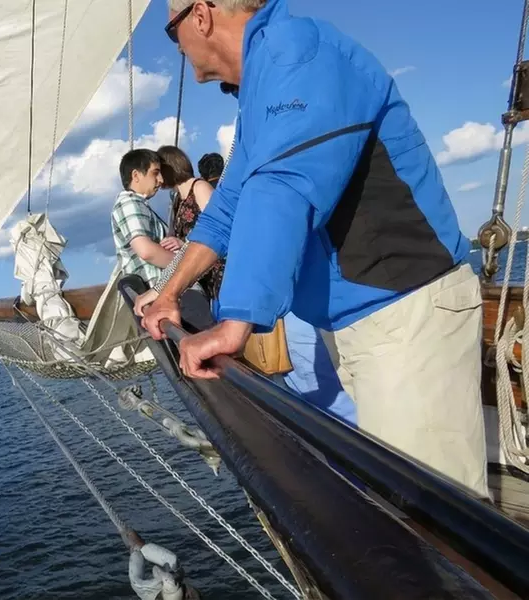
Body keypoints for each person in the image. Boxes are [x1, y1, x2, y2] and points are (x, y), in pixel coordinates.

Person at [140, 0, 488, 498]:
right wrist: (170, 290)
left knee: (437, 520)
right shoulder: (263, 84)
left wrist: (234, 324)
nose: (176, 48)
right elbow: (230, 205)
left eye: (172, 34)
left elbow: (283, 186)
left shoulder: (298, 56)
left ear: (200, 16)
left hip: (405, 312)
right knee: (392, 503)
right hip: (360, 322)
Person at [154, 145, 356, 425]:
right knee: (289, 372)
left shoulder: (201, 188)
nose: (156, 178)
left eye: (157, 169)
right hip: (223, 293)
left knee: (307, 368)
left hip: (244, 287)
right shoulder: (176, 200)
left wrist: (165, 291)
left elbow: (223, 229)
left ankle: (344, 438)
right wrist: (165, 290)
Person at [111, 149, 183, 287]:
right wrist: (188, 263)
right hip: (164, 293)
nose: (161, 180)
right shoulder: (129, 203)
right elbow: (146, 251)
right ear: (136, 175)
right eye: (155, 173)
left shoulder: (138, 205)